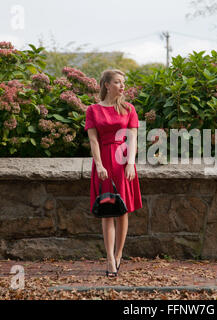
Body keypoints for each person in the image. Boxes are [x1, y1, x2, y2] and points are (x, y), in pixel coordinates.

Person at [84, 69, 142, 277]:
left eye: (123, 82)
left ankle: (118, 256)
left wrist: (130, 163)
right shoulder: (92, 110)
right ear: (107, 85)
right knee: (107, 210)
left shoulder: (129, 109)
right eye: (118, 82)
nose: (122, 86)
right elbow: (93, 140)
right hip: (104, 162)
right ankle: (109, 259)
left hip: (123, 160)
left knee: (122, 210)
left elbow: (133, 138)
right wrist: (99, 165)